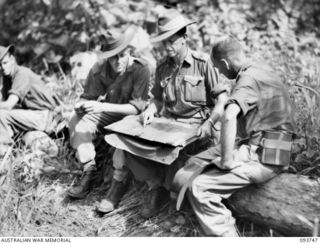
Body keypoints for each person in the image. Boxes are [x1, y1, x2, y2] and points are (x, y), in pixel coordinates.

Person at [105, 9, 228, 218]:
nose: (167, 47)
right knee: (125, 140)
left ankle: (171, 193)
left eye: (171, 41)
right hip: (168, 124)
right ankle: (155, 187)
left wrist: (210, 122)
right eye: (164, 42)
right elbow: (157, 98)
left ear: (184, 39)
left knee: (177, 171)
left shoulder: (203, 63)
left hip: (195, 127)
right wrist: (151, 110)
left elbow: (222, 100)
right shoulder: (162, 66)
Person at [185, 36, 296, 236]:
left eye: (218, 68)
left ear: (225, 63)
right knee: (199, 160)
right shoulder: (261, 70)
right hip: (278, 147)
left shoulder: (247, 80)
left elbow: (229, 116)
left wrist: (227, 161)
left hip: (265, 156)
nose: (219, 72)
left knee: (199, 187)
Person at [67, 25, 151, 212]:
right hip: (111, 115)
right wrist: (80, 106)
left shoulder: (141, 68)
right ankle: (89, 170)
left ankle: (116, 187)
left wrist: (101, 106)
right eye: (113, 56)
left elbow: (136, 108)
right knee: (76, 120)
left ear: (128, 51)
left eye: (122, 55)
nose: (118, 60)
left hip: (135, 118)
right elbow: (88, 97)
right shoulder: (99, 69)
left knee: (125, 134)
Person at [0, 44, 60, 157]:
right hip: (34, 115)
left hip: (45, 117)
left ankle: (3, 152)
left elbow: (9, 105)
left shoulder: (22, 74)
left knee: (1, 114)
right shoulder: (7, 78)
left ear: (12, 60)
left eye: (5, 63)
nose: (2, 68)